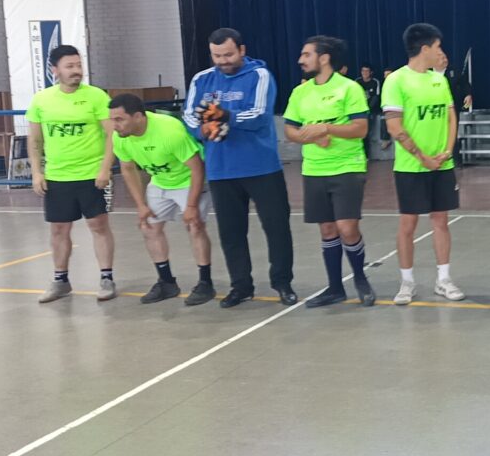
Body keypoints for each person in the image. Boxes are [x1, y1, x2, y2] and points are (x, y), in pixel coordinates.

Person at [183, 28, 297, 308]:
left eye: (228, 54)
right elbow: (189, 117)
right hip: (221, 170)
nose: (223, 61)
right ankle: (241, 286)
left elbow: (259, 115)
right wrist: (204, 129)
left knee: (277, 228)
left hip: (261, 167)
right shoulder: (202, 79)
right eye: (217, 56)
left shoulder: (259, 75)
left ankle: (282, 282)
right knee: (231, 233)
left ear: (242, 50)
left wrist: (222, 115)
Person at [284, 36, 376, 309]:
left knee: (347, 227)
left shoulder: (349, 88)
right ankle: (335, 288)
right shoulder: (300, 92)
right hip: (314, 169)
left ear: (324, 58)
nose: (300, 60)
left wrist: (327, 128)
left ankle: (360, 278)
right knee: (327, 229)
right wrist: (310, 137)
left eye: (306, 54)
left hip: (347, 166)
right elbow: (290, 130)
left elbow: (361, 128)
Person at [382, 23, 465, 305]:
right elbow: (394, 127)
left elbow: (451, 116)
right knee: (408, 223)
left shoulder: (439, 81)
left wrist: (447, 151)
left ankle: (444, 279)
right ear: (425, 48)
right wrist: (422, 157)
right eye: (438, 46)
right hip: (411, 167)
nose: (441, 52)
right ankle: (407, 282)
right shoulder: (396, 81)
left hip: (442, 165)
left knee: (441, 220)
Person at [26, 45, 117, 303]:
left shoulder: (97, 96)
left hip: (91, 175)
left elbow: (112, 135)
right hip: (57, 177)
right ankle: (60, 280)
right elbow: (34, 140)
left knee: (98, 225)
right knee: (58, 229)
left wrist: (105, 168)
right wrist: (37, 172)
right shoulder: (41, 100)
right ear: (55, 70)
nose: (76, 70)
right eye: (70, 66)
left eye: (78, 65)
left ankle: (107, 278)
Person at [110, 93, 216, 305]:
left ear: (138, 117)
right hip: (160, 181)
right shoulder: (120, 137)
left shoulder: (169, 132)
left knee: (195, 226)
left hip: (188, 179)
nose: (114, 125)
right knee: (149, 227)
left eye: (119, 119)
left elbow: (197, 168)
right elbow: (128, 169)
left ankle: (205, 283)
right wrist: (141, 205)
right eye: (112, 120)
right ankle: (167, 282)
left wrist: (191, 205)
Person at [357, 64, 382, 158]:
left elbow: (376, 97)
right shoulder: (357, 82)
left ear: (371, 72)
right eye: (363, 71)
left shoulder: (375, 82)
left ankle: (367, 155)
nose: (364, 73)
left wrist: (368, 108)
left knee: (366, 132)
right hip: (359, 110)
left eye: (367, 71)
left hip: (371, 110)